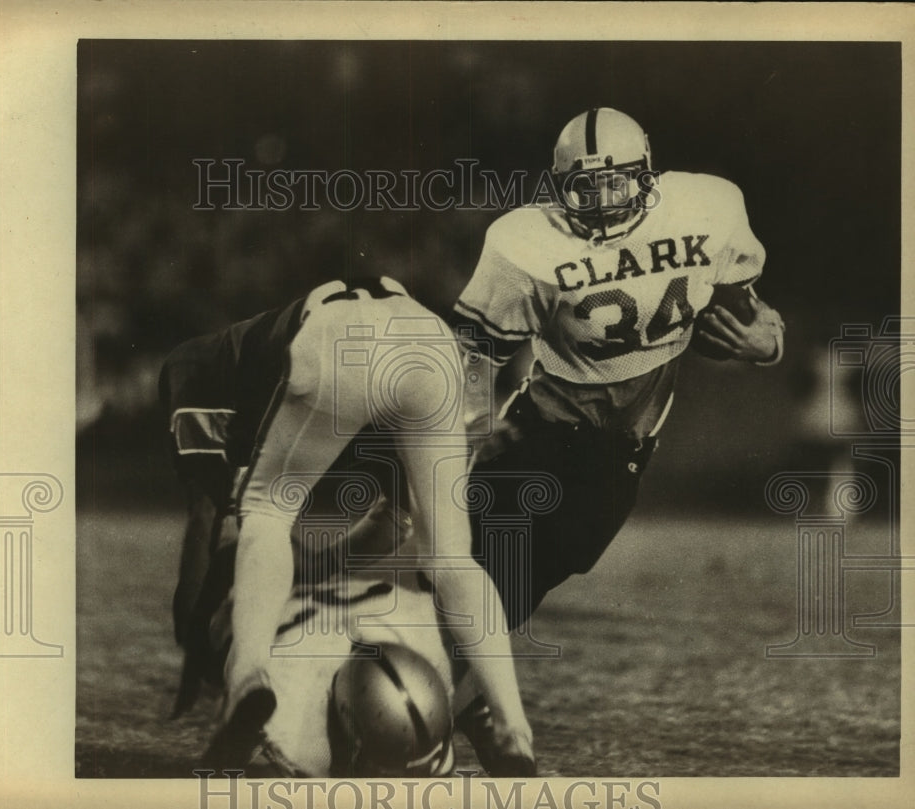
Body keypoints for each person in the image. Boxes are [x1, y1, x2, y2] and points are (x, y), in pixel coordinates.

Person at [159, 276, 534, 775]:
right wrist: (321, 569)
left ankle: (248, 683)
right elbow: (395, 523)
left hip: (337, 337)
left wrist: (197, 636)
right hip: (431, 341)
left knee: (266, 516)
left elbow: (209, 523)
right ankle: (514, 731)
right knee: (451, 557)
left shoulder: (197, 368)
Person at [450, 107, 787, 630]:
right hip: (540, 425)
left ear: (646, 175)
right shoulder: (528, 242)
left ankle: (447, 691)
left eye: (616, 183)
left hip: (622, 448)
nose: (604, 202)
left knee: (537, 574)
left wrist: (766, 345)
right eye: (586, 187)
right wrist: (474, 414)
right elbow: (475, 346)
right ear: (561, 187)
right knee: (471, 563)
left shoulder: (707, 207)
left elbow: (747, 309)